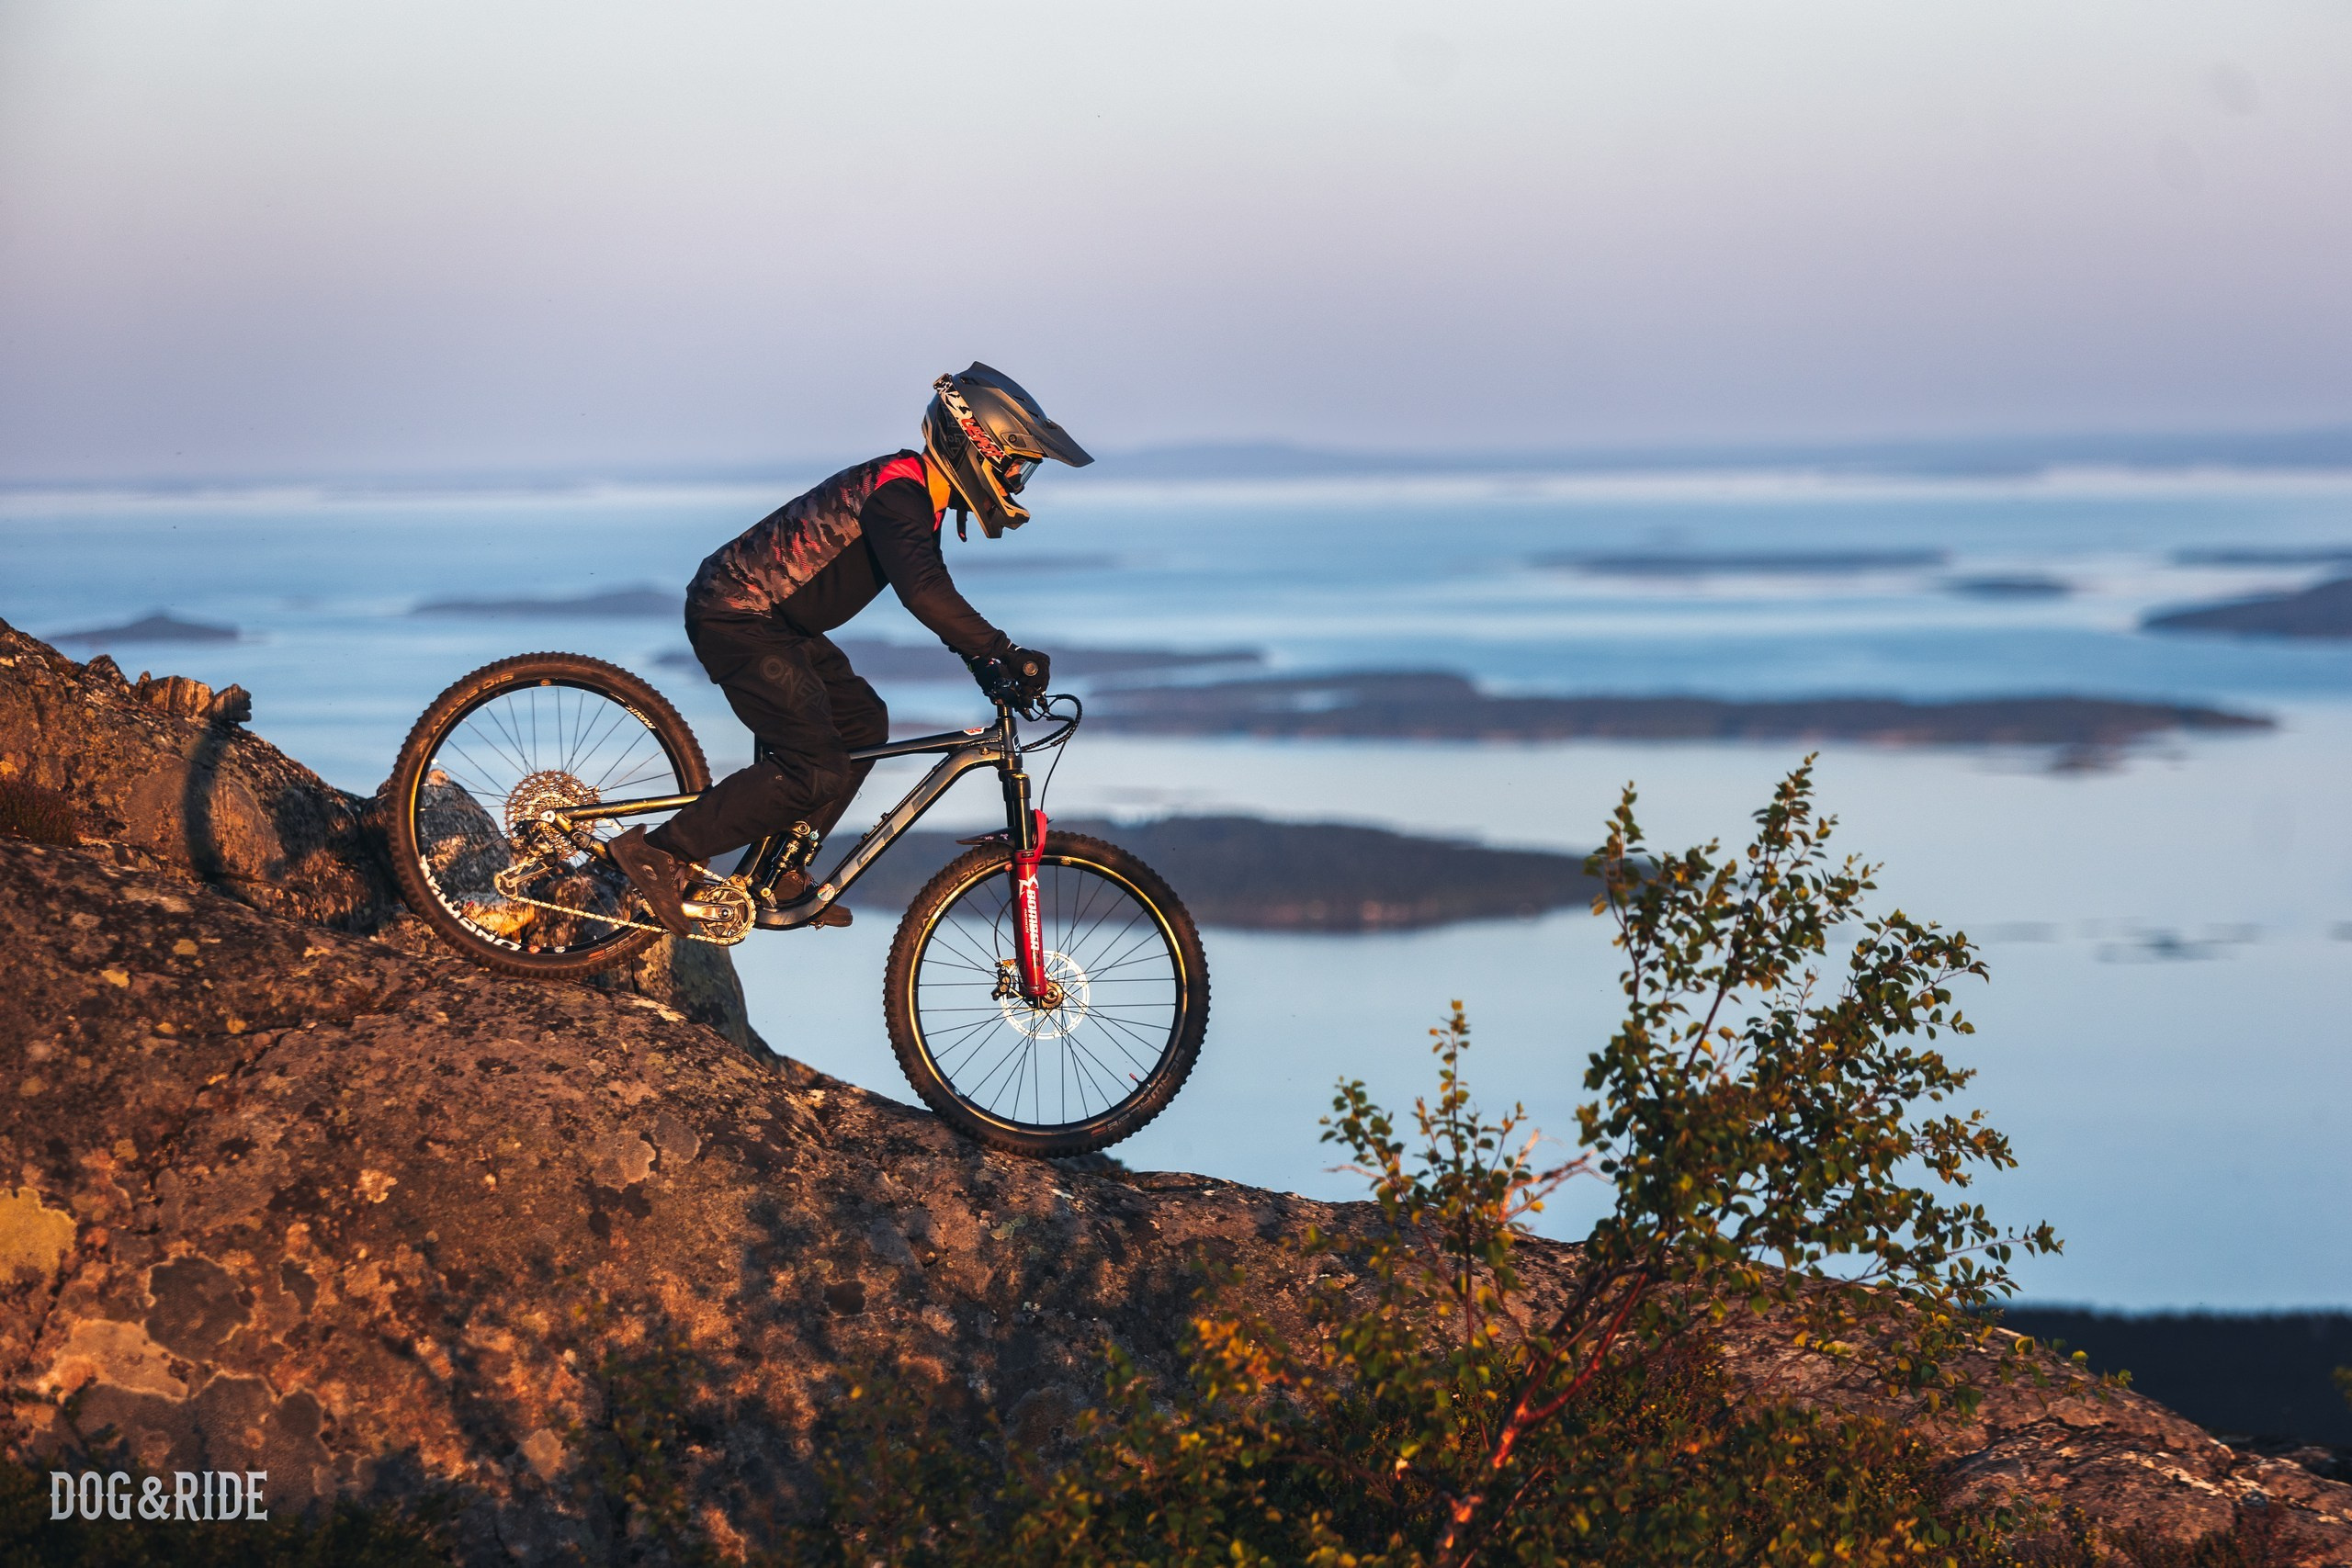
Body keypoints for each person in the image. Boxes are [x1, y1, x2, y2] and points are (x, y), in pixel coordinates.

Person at [607, 363, 1091, 936]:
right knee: (814, 767)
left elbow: (929, 589)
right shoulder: (900, 493)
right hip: (738, 615)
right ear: (975, 445)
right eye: (1013, 467)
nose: (1014, 483)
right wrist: (1002, 650)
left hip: (776, 623)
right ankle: (660, 854)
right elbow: (926, 593)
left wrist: (985, 665)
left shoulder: (915, 494)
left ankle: (781, 868)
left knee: (862, 721)